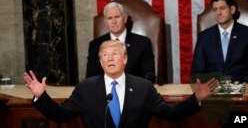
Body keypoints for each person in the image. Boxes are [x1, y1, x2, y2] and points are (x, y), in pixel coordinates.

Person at [24, 40, 218, 128]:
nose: (110, 58)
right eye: (105, 55)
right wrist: (41, 97)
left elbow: (170, 113)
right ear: (100, 62)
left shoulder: (143, 87)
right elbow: (63, 115)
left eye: (115, 54)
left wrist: (196, 99)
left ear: (124, 59)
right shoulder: (86, 87)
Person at [86, 1, 155, 82]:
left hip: (134, 91)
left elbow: (148, 77)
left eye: (117, 17)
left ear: (125, 19)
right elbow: (91, 78)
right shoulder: (95, 45)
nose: (114, 21)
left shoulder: (143, 43)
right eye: (109, 18)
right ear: (105, 22)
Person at [191, 0, 248, 82]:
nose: (218, 13)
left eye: (222, 8)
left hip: (241, 89)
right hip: (212, 91)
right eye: (215, 9)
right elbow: (197, 71)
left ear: (232, 9)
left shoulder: (247, 34)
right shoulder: (204, 37)